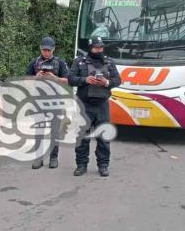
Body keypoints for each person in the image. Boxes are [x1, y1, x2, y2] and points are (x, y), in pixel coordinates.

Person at [68, 36, 121, 177]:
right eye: (96, 47)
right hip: (84, 105)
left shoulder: (109, 62)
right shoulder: (79, 62)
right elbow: (70, 79)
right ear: (90, 48)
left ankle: (103, 165)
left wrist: (107, 82)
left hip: (102, 105)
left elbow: (118, 80)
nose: (99, 50)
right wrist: (85, 79)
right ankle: (81, 165)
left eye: (101, 47)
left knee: (103, 137)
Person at [25, 35, 69, 169]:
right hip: (39, 101)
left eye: (49, 50)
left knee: (54, 131)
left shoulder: (60, 63)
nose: (46, 52)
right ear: (40, 48)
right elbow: (25, 81)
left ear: (53, 49)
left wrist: (55, 78)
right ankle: (38, 158)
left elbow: (68, 81)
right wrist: (35, 77)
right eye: (44, 50)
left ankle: (53, 158)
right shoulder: (34, 62)